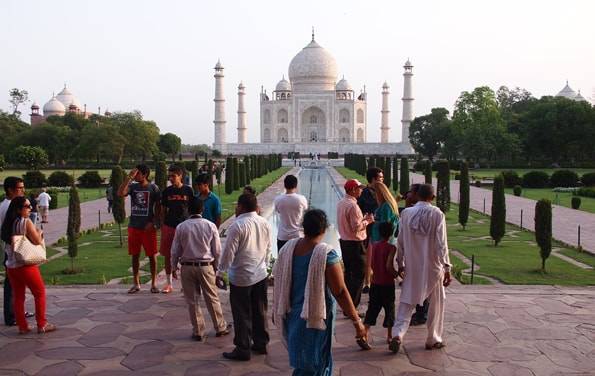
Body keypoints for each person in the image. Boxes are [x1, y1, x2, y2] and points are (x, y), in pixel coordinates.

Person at [273, 209, 367, 374]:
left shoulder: (288, 249)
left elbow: (279, 280)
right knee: (316, 364)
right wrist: (356, 321)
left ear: (304, 227)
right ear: (324, 229)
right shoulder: (326, 254)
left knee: (304, 363)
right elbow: (340, 291)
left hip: (294, 316)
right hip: (315, 319)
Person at [390, 184, 452, 354]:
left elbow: (400, 241)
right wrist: (447, 268)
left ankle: (398, 334)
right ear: (432, 198)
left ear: (417, 196)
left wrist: (400, 262)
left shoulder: (406, 213)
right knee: (436, 304)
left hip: (412, 266)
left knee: (406, 302)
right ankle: (433, 339)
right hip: (433, 267)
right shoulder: (437, 214)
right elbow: (442, 244)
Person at [218, 193, 272, 361]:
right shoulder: (264, 222)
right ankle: (261, 343)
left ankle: (243, 348)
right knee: (259, 310)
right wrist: (265, 266)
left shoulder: (238, 225)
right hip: (260, 274)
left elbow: (228, 253)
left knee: (242, 313)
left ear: (241, 206)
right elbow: (269, 248)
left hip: (241, 276)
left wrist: (220, 272)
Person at [171, 197, 230, 341]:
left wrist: (173, 266)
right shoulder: (210, 226)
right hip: (205, 266)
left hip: (187, 267)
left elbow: (175, 250)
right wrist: (217, 268)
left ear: (188, 210)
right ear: (202, 209)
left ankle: (198, 330)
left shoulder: (182, 227)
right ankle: (220, 327)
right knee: (212, 297)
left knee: (192, 300)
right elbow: (217, 250)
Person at [1, 196, 56, 334]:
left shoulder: (8, 224)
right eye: (27, 206)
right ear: (19, 209)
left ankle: (22, 326)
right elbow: (37, 241)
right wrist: (40, 232)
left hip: (12, 265)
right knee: (39, 293)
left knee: (19, 296)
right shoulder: (25, 222)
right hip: (26, 265)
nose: (30, 208)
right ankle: (42, 324)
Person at [118, 164, 161, 294]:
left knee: (152, 255)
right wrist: (129, 177)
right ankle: (136, 283)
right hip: (134, 226)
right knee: (135, 255)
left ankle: (154, 284)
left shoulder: (153, 188)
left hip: (148, 227)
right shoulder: (133, 187)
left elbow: (159, 207)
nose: (135, 175)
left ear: (144, 175)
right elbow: (120, 193)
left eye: (137, 173)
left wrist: (154, 222)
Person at [336, 179, 374, 313]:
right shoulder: (353, 206)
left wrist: (362, 219)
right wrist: (368, 221)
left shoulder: (341, 202)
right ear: (352, 190)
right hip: (355, 244)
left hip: (345, 242)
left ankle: (346, 305)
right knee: (359, 275)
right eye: (359, 188)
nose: (361, 190)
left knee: (349, 275)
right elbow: (356, 227)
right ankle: (351, 308)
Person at [160, 165, 194, 293]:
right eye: (169, 176)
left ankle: (185, 284)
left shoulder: (188, 191)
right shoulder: (167, 191)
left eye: (173, 176)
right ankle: (169, 284)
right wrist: (163, 225)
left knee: (186, 256)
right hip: (169, 226)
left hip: (184, 226)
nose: (171, 178)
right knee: (168, 256)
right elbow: (163, 210)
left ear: (180, 176)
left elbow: (192, 209)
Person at [363, 221, 397, 347]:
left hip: (375, 283)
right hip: (387, 284)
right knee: (390, 310)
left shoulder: (374, 246)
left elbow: (370, 264)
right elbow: (389, 266)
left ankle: (364, 334)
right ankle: (389, 336)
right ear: (391, 233)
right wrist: (396, 274)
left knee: (372, 309)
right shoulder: (391, 248)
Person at [401, 184, 429, 326]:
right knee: (419, 285)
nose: (408, 194)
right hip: (415, 256)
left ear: (417, 194)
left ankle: (421, 314)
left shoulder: (429, 213)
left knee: (422, 286)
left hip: (422, 256)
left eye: (410, 191)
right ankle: (420, 313)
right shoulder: (409, 211)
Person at [1, 177, 26, 326]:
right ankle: (11, 315)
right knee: (12, 284)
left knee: (17, 284)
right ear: (10, 190)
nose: (23, 191)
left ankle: (18, 311)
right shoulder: (9, 207)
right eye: (20, 188)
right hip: (14, 250)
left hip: (12, 248)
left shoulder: (7, 205)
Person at [358, 167, 384, 293]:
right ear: (373, 179)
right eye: (380, 178)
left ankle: (374, 279)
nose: (382, 180)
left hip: (380, 229)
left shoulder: (382, 192)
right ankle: (367, 282)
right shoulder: (365, 193)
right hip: (369, 229)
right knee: (368, 255)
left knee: (378, 256)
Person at [273, 174, 308, 252]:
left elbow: (278, 211)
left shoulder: (278, 199)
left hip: (283, 236)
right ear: (296, 186)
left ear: (285, 185)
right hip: (297, 236)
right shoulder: (301, 199)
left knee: (282, 262)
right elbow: (305, 209)